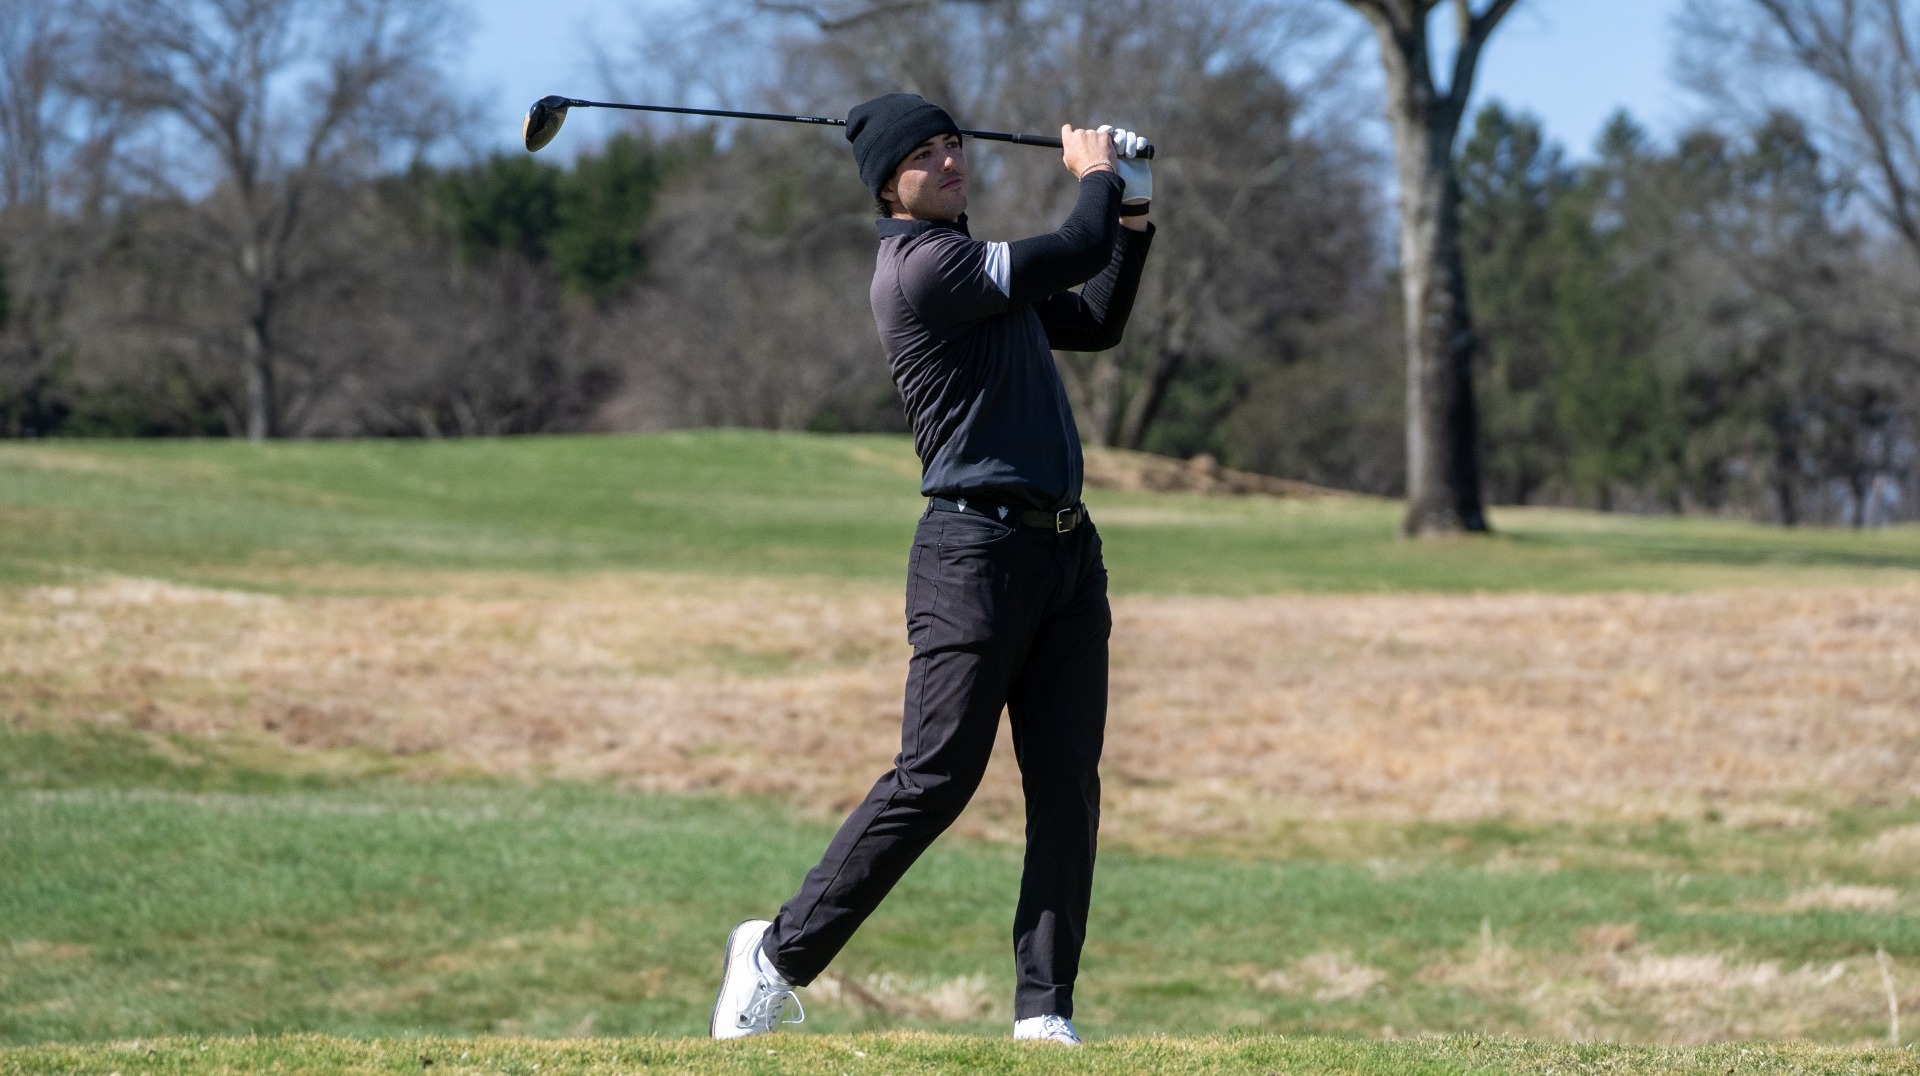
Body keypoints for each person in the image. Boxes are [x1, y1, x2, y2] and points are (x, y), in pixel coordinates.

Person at [710, 92, 1155, 1047]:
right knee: (936, 777)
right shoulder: (921, 270)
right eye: (926, 154)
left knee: (1066, 788)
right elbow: (1068, 251)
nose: (951, 162)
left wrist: (1133, 215)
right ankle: (777, 955)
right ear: (887, 184)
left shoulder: (983, 277)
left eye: (954, 145)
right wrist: (1095, 180)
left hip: (1066, 554)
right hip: (973, 556)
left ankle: (1044, 1014)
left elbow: (1095, 314)